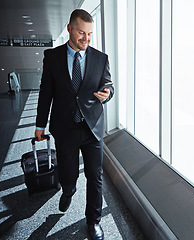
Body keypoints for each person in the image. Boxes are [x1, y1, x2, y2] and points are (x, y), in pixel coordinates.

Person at [34, 9, 114, 240]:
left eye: (90, 34)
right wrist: (40, 125)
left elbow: (108, 85)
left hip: (92, 128)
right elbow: (45, 92)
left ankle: (94, 221)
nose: (86, 39)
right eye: (81, 32)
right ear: (69, 28)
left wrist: (107, 93)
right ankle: (68, 190)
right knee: (68, 175)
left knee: (95, 176)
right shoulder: (52, 57)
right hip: (65, 128)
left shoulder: (101, 58)